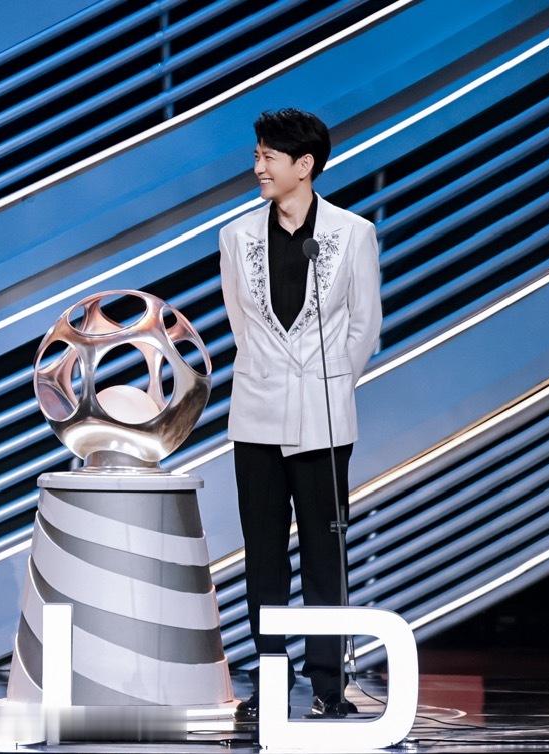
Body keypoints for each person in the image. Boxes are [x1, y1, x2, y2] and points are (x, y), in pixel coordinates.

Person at [218, 108, 382, 718]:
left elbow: (365, 326)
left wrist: (328, 383)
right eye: (257, 155)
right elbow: (241, 323)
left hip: (324, 418)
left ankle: (328, 686)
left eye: (269, 157)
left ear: (304, 164)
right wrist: (273, 374)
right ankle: (269, 679)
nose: (258, 167)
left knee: (324, 551)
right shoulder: (236, 237)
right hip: (257, 414)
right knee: (263, 554)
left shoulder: (352, 233)